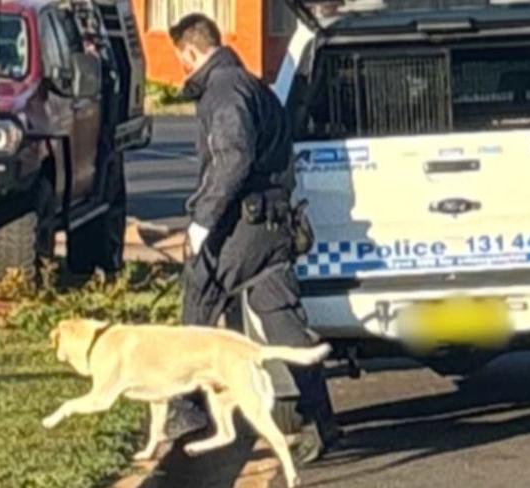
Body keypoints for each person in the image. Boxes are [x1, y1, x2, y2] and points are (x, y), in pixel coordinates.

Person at [166, 13, 341, 463]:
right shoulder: (252, 85)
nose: (182, 69)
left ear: (190, 51)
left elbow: (231, 159)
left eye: (181, 59)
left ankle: (185, 416)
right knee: (281, 318)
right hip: (274, 226)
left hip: (241, 225)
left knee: (200, 296)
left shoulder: (223, 92)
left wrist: (202, 222)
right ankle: (319, 419)